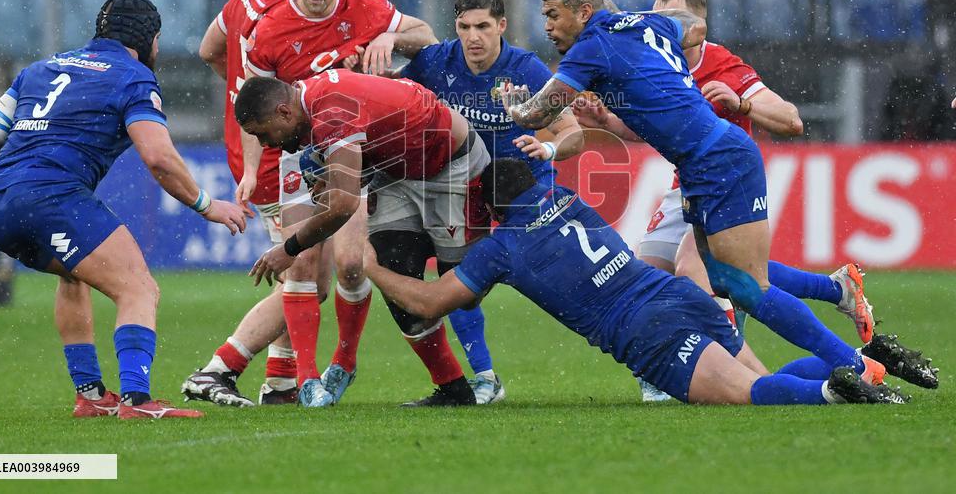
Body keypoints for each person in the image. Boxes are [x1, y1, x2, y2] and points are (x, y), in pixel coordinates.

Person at [501, 0, 934, 392]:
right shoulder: (646, 25)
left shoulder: (592, 48)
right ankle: (831, 324)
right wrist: (632, 20)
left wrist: (514, 105)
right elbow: (694, 26)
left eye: (553, 15)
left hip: (718, 158)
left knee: (746, 284)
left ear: (583, 11)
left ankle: (855, 366)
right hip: (699, 165)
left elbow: (539, 113)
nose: (548, 26)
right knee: (723, 280)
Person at [360, 158, 908, 406]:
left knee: (746, 395)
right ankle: (863, 375)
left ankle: (835, 393)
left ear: (488, 205)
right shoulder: (566, 198)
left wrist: (370, 264)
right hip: (673, 293)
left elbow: (429, 302)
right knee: (758, 378)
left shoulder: (501, 248)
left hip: (644, 329)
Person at [571, 0, 877, 402]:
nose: (663, 26)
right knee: (649, 274)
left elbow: (791, 120)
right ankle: (835, 293)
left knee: (704, 274)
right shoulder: (651, 56)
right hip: (686, 186)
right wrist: (605, 121)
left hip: (727, 179)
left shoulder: (722, 64)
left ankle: (754, 380)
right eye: (657, 17)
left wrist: (742, 103)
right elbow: (649, 128)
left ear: (699, 24)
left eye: (674, 18)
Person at [0, 0, 250, 419]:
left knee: (73, 275)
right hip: (51, 197)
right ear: (148, 39)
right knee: (138, 288)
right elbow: (158, 156)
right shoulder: (133, 77)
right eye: (157, 40)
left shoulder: (40, 68)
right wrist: (205, 204)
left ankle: (90, 394)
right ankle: (137, 400)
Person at [233, 0, 439, 407]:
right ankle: (306, 379)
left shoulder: (365, 7)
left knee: (350, 265)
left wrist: (390, 37)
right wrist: (249, 169)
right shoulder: (268, 32)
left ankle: (344, 360)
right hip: (298, 153)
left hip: (359, 146)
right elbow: (250, 106)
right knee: (304, 262)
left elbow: (426, 37)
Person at [235, 70, 489, 406]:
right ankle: (454, 388)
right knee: (393, 269)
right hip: (400, 173)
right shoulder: (312, 104)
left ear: (284, 112)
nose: (267, 144)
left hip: (454, 166)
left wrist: (290, 249)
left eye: (264, 134)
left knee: (464, 293)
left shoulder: (330, 112)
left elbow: (343, 205)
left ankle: (520, 261)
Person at [395, 0, 584, 403]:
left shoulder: (527, 69)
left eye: (483, 26)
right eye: (464, 27)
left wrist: (549, 147)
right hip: (465, 187)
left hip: (524, 187)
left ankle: (643, 367)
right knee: (458, 283)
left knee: (572, 278)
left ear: (501, 26)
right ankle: (485, 380)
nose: (473, 37)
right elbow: (393, 102)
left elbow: (574, 132)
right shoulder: (434, 63)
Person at [182, 0, 330, 408]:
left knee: (303, 276)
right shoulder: (280, 15)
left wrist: (242, 92)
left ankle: (281, 382)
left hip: (255, 148)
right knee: (309, 279)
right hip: (277, 154)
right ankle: (219, 367)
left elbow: (207, 50)